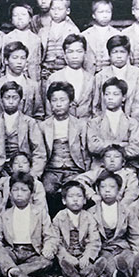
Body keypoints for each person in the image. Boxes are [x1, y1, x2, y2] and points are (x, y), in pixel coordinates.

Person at [0, 171, 57, 277]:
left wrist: (48, 247)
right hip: (13, 251)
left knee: (47, 262)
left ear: (31, 194)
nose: (19, 194)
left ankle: (11, 271)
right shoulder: (5, 214)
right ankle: (21, 275)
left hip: (33, 252)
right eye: (15, 190)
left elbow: (50, 235)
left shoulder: (40, 213)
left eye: (24, 190)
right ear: (10, 193)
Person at [89, 171, 139, 277]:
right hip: (103, 248)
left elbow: (137, 234)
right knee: (108, 263)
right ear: (97, 189)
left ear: (119, 189)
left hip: (121, 246)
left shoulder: (126, 210)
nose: (107, 190)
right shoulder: (91, 212)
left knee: (129, 258)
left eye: (112, 187)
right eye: (103, 187)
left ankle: (137, 273)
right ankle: (121, 276)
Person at [40, 82, 89, 212]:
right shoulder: (43, 126)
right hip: (52, 170)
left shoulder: (80, 125)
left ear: (70, 102)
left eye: (63, 100)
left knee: (75, 190)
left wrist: (87, 172)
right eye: (54, 100)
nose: (59, 104)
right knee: (47, 190)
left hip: (75, 169)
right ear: (50, 103)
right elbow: (40, 153)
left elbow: (86, 151)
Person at [51, 181, 105, 277]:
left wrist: (87, 256)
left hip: (82, 253)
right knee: (65, 266)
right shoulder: (59, 217)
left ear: (85, 200)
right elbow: (56, 240)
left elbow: (94, 240)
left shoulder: (89, 217)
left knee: (88, 265)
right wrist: (66, 256)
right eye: (71, 196)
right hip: (67, 255)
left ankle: (89, 275)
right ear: (64, 200)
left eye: (79, 196)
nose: (75, 199)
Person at [87, 77, 139, 166]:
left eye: (115, 94)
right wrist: (123, 145)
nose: (110, 98)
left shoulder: (133, 123)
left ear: (123, 97)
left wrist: (105, 144)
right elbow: (93, 147)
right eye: (107, 94)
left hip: (126, 167)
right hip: (100, 166)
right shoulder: (94, 122)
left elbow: (136, 149)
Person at [94, 35, 139, 123]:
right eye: (114, 52)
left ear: (128, 54)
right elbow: (96, 106)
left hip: (131, 124)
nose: (119, 56)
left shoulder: (138, 74)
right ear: (109, 54)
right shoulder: (101, 75)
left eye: (122, 52)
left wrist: (133, 126)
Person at [43, 34, 95, 119]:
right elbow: (49, 110)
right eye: (70, 52)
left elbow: (95, 109)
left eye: (79, 51)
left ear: (85, 53)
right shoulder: (54, 78)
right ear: (64, 54)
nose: (75, 56)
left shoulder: (92, 79)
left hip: (86, 127)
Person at [0, 41, 42, 118]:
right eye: (15, 58)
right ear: (6, 60)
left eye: (23, 58)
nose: (19, 62)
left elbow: (39, 114)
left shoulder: (33, 86)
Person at [74, 144, 139, 208]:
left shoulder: (129, 175)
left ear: (123, 162)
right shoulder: (98, 172)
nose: (112, 160)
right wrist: (92, 195)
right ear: (103, 161)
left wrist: (122, 205)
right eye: (108, 156)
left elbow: (132, 192)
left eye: (116, 157)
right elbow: (79, 180)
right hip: (99, 207)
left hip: (122, 206)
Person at [0, 152, 47, 221]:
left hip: (30, 216)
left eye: (24, 163)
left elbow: (41, 206)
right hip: (10, 216)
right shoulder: (5, 181)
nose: (20, 165)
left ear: (30, 167)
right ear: (11, 168)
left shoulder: (37, 184)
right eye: (16, 163)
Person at [38, 0, 81, 81]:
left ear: (67, 11)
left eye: (60, 9)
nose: (56, 12)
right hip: (46, 72)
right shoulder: (43, 31)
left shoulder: (73, 30)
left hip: (65, 71)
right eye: (53, 9)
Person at [3, 3, 42, 82]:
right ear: (11, 20)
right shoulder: (7, 38)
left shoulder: (36, 39)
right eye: (15, 15)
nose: (19, 18)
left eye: (23, 14)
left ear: (30, 18)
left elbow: (37, 63)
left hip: (31, 79)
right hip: (11, 79)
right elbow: (3, 64)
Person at [81, 0, 122, 73]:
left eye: (108, 12)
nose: (105, 15)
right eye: (101, 12)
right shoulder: (85, 35)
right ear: (93, 15)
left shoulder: (117, 34)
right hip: (90, 74)